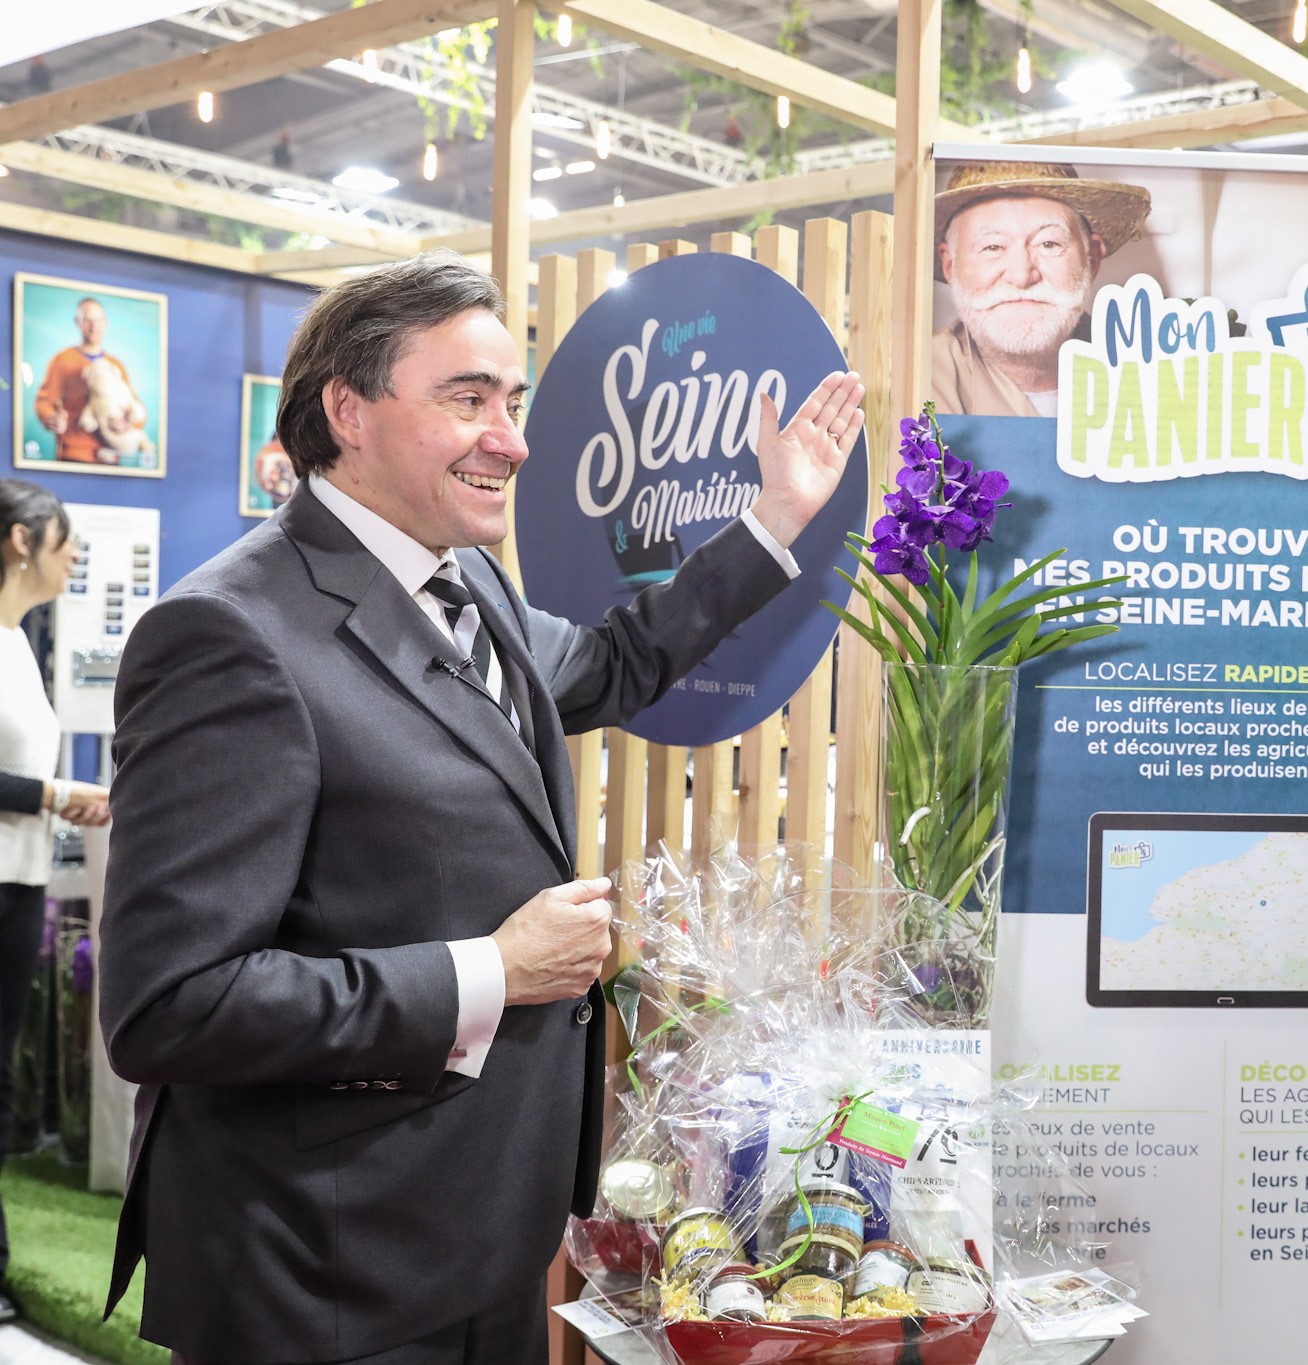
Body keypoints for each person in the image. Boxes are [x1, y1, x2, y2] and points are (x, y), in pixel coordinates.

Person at [96, 251, 863, 1365]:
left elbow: (611, 664)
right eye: (468, 400)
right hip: (323, 1267)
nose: (511, 438)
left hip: (476, 1233)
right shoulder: (227, 634)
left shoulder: (470, 583)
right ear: (345, 412)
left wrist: (772, 517)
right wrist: (494, 971)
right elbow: (171, 1006)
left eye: (512, 401)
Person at [0, 480, 112, 1323]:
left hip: (21, 884)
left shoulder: (17, 642)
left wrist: (58, 794)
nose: (75, 554)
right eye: (64, 538)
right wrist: (53, 791)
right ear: (19, 540)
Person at [931, 160, 1149, 418]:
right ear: (950, 265)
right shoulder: (914, 378)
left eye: (1048, 243)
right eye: (992, 247)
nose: (1022, 275)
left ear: (1091, 259)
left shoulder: (1151, 373)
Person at [33, 298, 148, 466]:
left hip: (111, 456)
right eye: (88, 320)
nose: (94, 327)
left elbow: (134, 406)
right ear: (78, 322)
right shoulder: (62, 360)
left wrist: (128, 422)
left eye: (99, 320)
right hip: (73, 455)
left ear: (106, 323)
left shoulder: (116, 366)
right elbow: (44, 403)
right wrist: (52, 418)